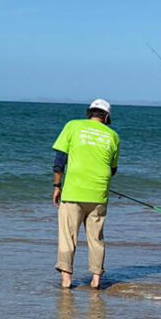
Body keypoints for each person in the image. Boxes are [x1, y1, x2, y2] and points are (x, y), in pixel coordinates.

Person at [52, 99, 121, 289]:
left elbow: (60, 160)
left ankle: (67, 280)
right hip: (99, 194)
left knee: (68, 236)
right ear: (106, 116)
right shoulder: (113, 136)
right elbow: (113, 169)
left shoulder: (73, 126)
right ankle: (96, 279)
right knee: (96, 238)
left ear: (89, 113)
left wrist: (57, 185)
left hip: (74, 192)